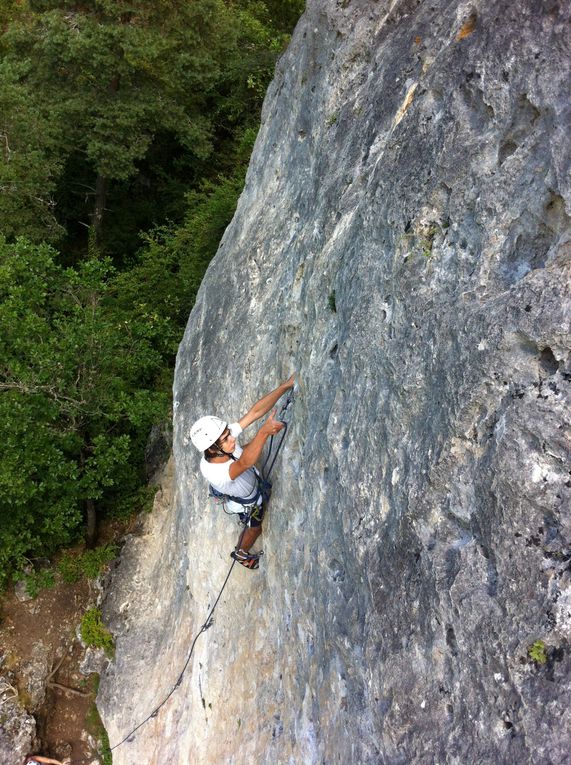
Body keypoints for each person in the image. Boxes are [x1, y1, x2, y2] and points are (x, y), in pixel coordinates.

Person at [189, 375, 294, 569]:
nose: (232, 439)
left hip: (250, 482)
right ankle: (240, 554)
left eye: (229, 434)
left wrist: (286, 386)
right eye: (226, 439)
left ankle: (241, 550)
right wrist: (263, 432)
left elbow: (254, 412)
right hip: (251, 502)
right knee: (255, 529)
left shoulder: (222, 440)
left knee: (243, 446)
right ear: (212, 449)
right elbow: (245, 462)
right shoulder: (215, 472)